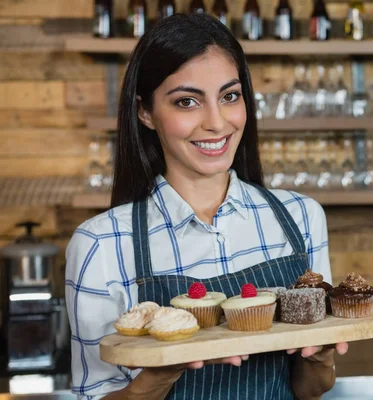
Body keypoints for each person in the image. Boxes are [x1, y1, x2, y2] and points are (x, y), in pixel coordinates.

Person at [65, 13, 347, 400]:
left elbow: (311, 390)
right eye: (186, 102)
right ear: (145, 112)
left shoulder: (301, 218)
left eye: (230, 96)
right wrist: (160, 374)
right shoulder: (102, 245)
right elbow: (93, 393)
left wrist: (321, 356)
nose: (216, 122)